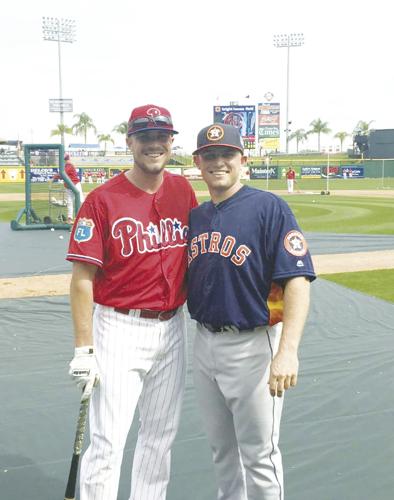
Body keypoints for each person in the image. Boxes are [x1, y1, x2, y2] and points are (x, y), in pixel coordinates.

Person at [66, 104, 197, 500]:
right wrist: (84, 347)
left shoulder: (183, 190)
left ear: (171, 141)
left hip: (173, 327)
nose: (154, 144)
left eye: (161, 136)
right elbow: (81, 280)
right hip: (120, 329)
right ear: (130, 142)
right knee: (108, 441)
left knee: (160, 439)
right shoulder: (102, 200)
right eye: (145, 136)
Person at [187, 123, 316, 500]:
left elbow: (297, 281)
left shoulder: (269, 207)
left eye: (227, 154)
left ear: (243, 160)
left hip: (252, 346)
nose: (218, 162)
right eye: (209, 155)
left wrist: (287, 350)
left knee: (259, 455)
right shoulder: (197, 217)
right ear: (198, 163)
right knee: (221, 451)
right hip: (204, 342)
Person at [53, 154, 84, 223]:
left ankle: (82, 217)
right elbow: (62, 175)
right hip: (68, 186)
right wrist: (56, 176)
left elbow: (62, 174)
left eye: (66, 159)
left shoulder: (69, 166)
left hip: (75, 185)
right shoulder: (66, 166)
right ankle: (70, 218)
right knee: (70, 202)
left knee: (80, 201)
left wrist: (54, 177)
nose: (66, 160)